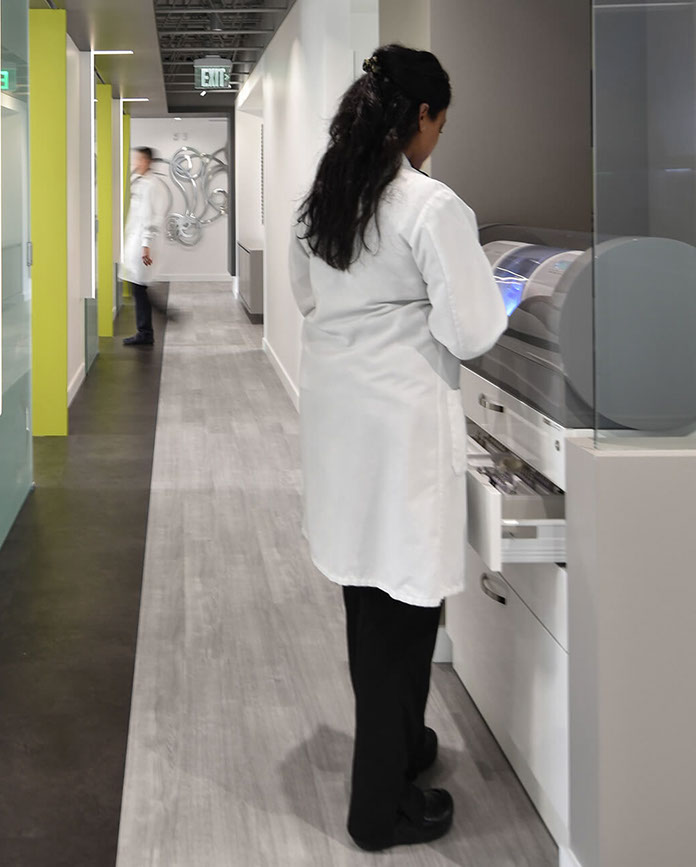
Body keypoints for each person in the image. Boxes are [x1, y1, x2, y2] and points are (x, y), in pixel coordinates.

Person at [289, 45, 508, 852]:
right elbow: (475, 327)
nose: (437, 139)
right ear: (420, 116)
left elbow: (307, 295)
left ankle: (406, 749)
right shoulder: (430, 205)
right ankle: (375, 809)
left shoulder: (327, 195)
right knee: (406, 620)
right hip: (402, 429)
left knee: (368, 606)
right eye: (440, 123)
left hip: (343, 424)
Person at [122, 146, 168, 347]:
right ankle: (148, 328)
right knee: (138, 286)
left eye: (139, 160)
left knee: (139, 286)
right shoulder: (140, 183)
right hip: (135, 241)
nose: (135, 164)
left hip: (143, 244)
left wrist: (146, 243)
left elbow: (152, 217)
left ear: (147, 161)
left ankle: (147, 331)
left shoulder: (152, 185)